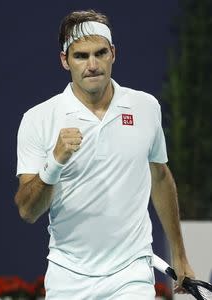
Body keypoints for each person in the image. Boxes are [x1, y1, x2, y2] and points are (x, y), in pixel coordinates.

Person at [14, 9, 194, 299]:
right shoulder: (39, 119)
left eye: (100, 53)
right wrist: (55, 162)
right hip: (68, 276)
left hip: (131, 272)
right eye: (81, 56)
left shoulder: (146, 107)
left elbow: (159, 176)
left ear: (113, 54)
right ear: (64, 61)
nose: (93, 65)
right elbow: (27, 210)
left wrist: (180, 254)